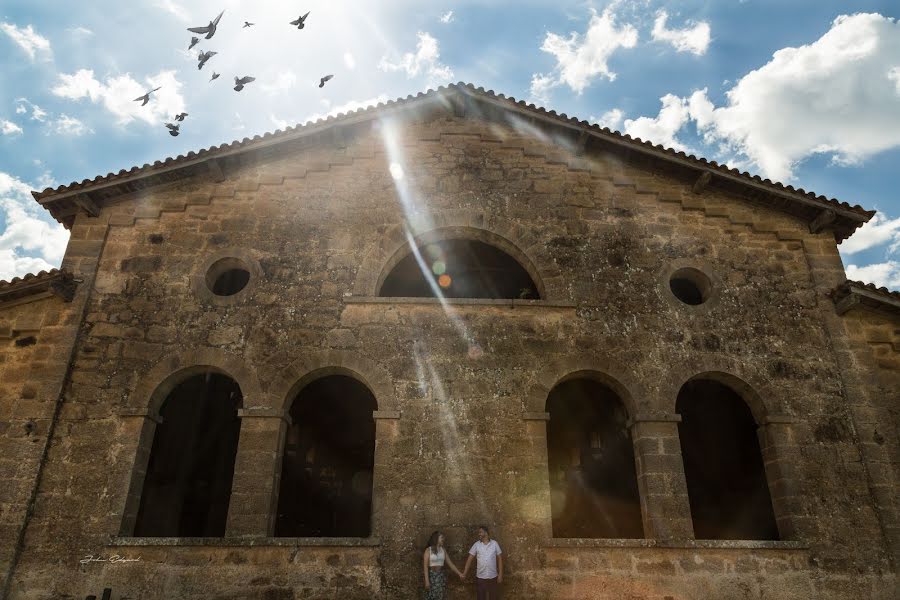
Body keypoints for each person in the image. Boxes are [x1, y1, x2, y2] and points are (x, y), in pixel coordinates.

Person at [462, 525, 503, 600]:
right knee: (480, 598)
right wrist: (464, 573)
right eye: (479, 532)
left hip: (493, 576)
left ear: (486, 533)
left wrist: (500, 574)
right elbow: (469, 560)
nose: (479, 534)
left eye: (480, 532)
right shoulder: (476, 545)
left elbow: (499, 559)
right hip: (480, 577)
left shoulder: (494, 544)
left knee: (493, 597)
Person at [422, 530, 464, 599]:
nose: (443, 539)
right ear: (436, 538)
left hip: (440, 577)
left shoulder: (443, 550)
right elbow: (425, 567)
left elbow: (451, 564)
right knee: (431, 596)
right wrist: (427, 581)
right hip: (431, 577)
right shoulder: (428, 550)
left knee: (440, 596)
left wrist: (459, 574)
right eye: (441, 537)